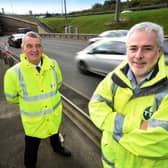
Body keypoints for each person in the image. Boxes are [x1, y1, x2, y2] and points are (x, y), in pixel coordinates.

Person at [88, 22, 168, 168]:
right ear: (127, 51)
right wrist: (139, 125)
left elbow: (160, 142)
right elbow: (95, 107)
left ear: (159, 52)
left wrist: (114, 132)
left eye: (147, 49)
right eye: (133, 48)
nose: (138, 56)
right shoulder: (115, 76)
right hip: (112, 163)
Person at [4, 31, 71, 168]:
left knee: (55, 134)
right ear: (23, 49)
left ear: (42, 48)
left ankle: (57, 148)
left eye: (38, 46)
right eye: (29, 46)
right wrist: (29, 101)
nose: (34, 50)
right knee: (31, 148)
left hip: (53, 115)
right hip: (34, 122)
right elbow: (11, 98)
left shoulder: (53, 65)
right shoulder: (13, 73)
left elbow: (58, 84)